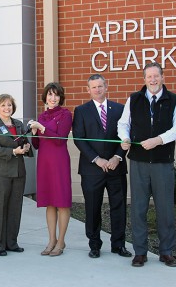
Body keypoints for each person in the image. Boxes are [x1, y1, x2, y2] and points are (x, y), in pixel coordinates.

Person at [118, 62, 176, 267]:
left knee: (165, 209)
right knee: (138, 208)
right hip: (138, 163)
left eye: (156, 76)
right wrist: (124, 138)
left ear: (162, 77)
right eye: (149, 76)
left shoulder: (174, 100)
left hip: (162, 163)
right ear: (144, 79)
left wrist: (158, 140)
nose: (153, 80)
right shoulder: (134, 99)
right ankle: (140, 252)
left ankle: (166, 252)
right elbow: (123, 124)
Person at [72, 74, 131, 259]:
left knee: (119, 207)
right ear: (88, 90)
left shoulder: (120, 109)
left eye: (100, 86)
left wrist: (117, 157)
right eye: (93, 87)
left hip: (116, 168)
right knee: (92, 208)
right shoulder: (81, 110)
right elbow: (79, 138)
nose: (97, 90)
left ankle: (118, 245)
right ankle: (95, 245)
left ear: (106, 87)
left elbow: (127, 136)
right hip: (92, 169)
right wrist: (97, 159)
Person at [0, 94, 33, 256]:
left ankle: (11, 242)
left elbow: (25, 142)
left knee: (15, 208)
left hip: (18, 171)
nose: (7, 108)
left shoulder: (18, 124)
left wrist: (25, 147)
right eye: (3, 105)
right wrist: (13, 151)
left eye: (9, 105)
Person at [30, 82, 72, 257]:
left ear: (60, 97)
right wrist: (34, 133)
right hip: (45, 163)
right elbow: (37, 144)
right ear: (45, 97)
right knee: (50, 202)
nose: (52, 98)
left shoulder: (66, 114)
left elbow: (60, 139)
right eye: (49, 95)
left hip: (59, 161)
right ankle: (51, 240)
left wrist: (42, 128)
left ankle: (61, 241)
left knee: (61, 201)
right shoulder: (42, 116)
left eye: (56, 95)